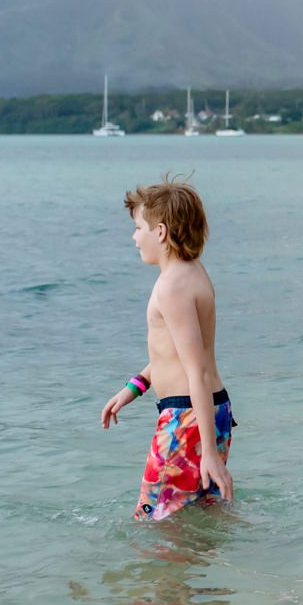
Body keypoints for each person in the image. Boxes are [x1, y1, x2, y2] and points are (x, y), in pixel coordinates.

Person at [99, 176, 235, 520]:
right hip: (209, 410)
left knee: (151, 519)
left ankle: (161, 575)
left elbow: (196, 372)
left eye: (139, 227)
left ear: (160, 232)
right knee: (195, 513)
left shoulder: (171, 287)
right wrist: (136, 386)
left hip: (187, 415)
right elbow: (175, 353)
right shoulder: (193, 272)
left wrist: (207, 452)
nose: (134, 237)